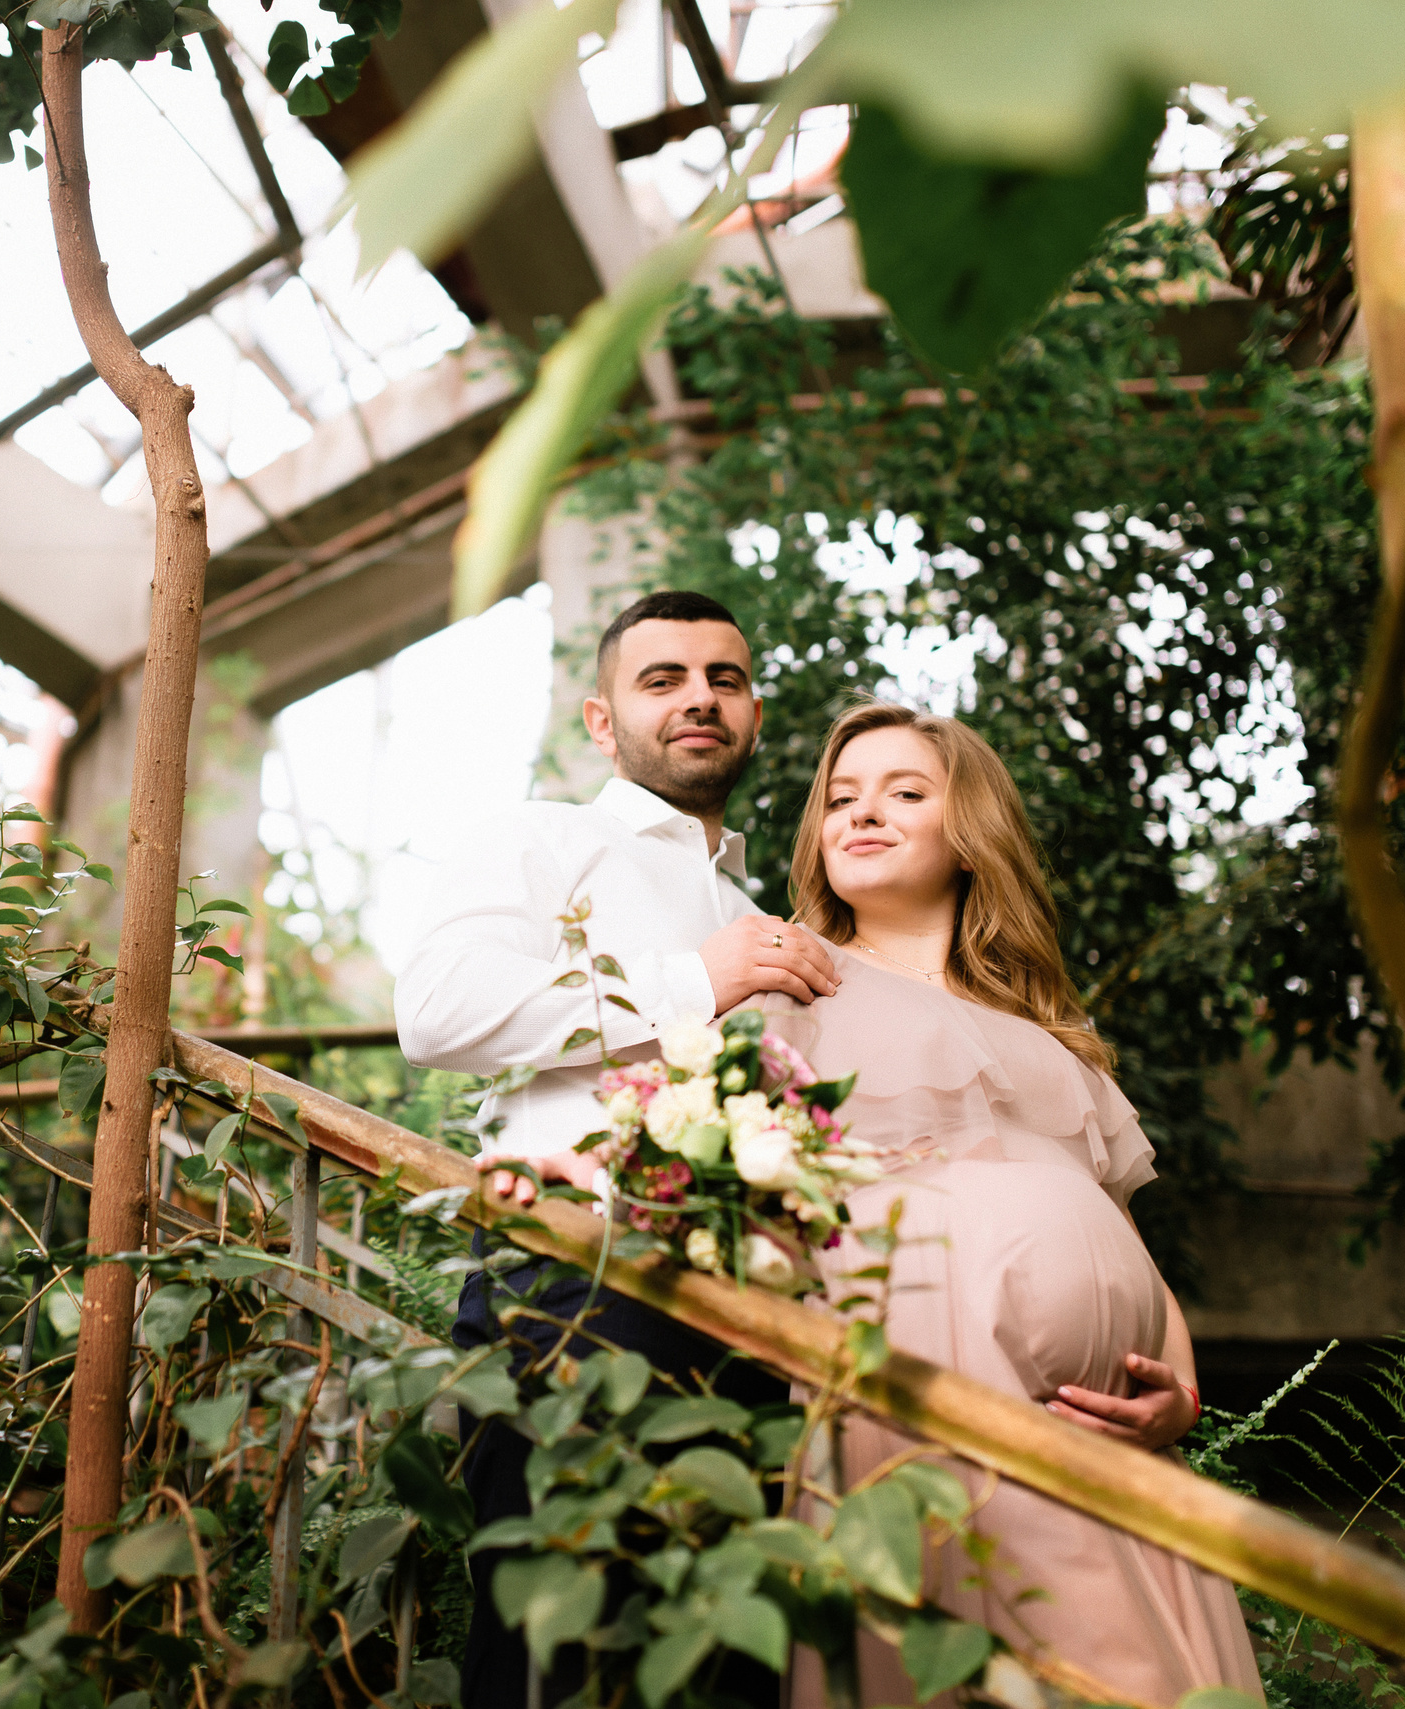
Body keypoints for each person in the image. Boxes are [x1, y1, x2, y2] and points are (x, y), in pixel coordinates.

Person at [757, 701, 1263, 1709]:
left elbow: (1125, 1239)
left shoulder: (1041, 1025)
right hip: (918, 1384)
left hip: (1101, 1430)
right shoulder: (790, 987)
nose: (863, 813)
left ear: (969, 835)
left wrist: (1184, 1395)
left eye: (905, 792)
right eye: (841, 798)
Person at [393, 589, 840, 1709]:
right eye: (664, 677)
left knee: (723, 1665)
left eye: (724, 679)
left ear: (749, 712)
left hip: (749, 1319)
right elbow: (438, 1010)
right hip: (576, 1283)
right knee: (552, 1650)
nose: (700, 696)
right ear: (601, 720)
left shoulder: (760, 908)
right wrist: (697, 981)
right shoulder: (541, 835)